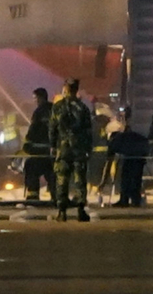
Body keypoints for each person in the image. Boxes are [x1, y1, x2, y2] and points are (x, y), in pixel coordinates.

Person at [49, 77, 93, 222]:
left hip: (63, 148)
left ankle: (62, 212)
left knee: (62, 179)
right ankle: (81, 210)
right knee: (80, 179)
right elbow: (88, 131)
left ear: (65, 88)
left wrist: (52, 145)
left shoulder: (57, 107)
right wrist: (88, 148)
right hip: (79, 149)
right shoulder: (83, 108)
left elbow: (52, 128)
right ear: (76, 89)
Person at [106, 109, 151, 207]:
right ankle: (132, 200)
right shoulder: (128, 130)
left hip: (133, 155)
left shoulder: (120, 135)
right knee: (133, 178)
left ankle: (128, 200)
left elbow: (112, 148)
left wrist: (110, 156)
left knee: (129, 178)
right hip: (137, 155)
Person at [21, 87, 56, 201]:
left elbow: (33, 129)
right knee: (52, 173)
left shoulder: (38, 112)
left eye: (35, 98)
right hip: (54, 151)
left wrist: (27, 144)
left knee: (31, 167)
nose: (34, 101)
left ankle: (33, 195)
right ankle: (56, 195)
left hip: (39, 150)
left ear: (40, 98)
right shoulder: (54, 109)